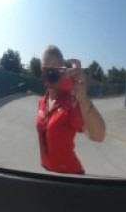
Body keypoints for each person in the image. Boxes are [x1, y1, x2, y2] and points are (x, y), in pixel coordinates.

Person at [36, 45, 105, 174]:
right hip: (46, 172)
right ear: (41, 70)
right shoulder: (42, 102)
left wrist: (83, 97)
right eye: (47, 68)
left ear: (63, 71)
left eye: (56, 69)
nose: (51, 73)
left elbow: (98, 136)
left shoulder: (70, 102)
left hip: (70, 176)